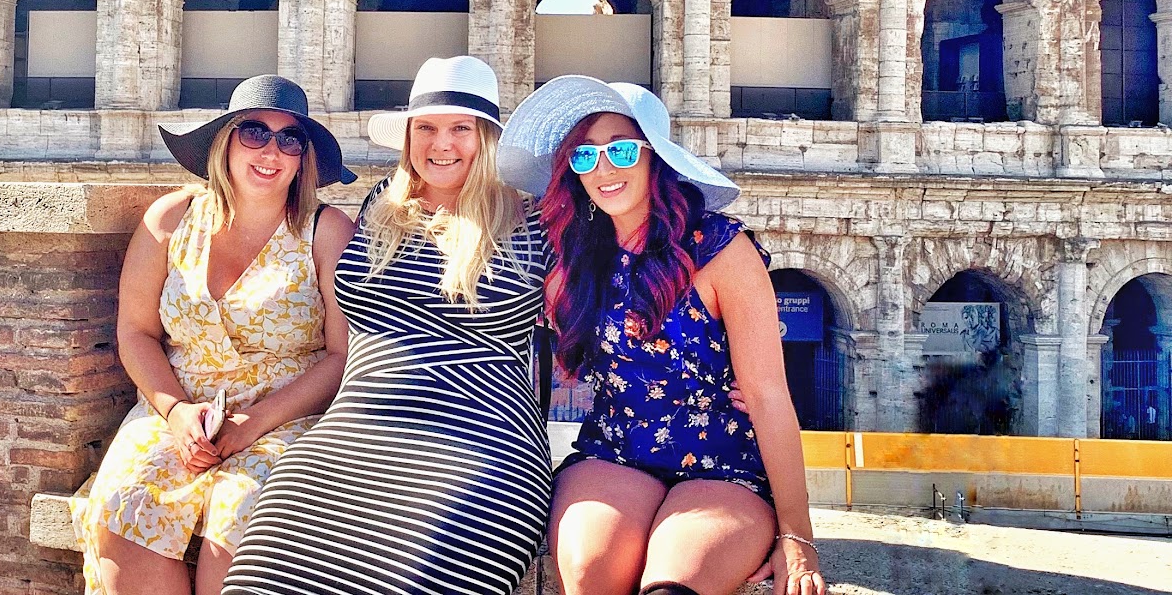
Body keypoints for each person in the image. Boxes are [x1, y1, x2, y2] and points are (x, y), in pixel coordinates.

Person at [223, 56, 552, 595]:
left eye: (460, 129)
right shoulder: (383, 204)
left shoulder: (531, 218)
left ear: (487, 137)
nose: (440, 143)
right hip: (354, 430)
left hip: (475, 441)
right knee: (263, 569)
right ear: (408, 135)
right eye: (426, 127)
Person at [499, 77, 825, 595]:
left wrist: (797, 537)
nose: (603, 168)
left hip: (723, 462)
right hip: (617, 450)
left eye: (622, 150)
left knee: (674, 586)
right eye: (584, 158)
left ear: (657, 159)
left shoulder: (721, 249)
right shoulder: (574, 256)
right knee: (589, 574)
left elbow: (766, 395)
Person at [70, 75, 356, 595]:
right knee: (121, 506)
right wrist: (177, 411)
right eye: (254, 132)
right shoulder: (171, 218)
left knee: (242, 521)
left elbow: (340, 356)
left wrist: (250, 425)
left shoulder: (327, 229)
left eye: (290, 139)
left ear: (301, 160)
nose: (271, 150)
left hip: (283, 415)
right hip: (177, 409)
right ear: (224, 141)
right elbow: (134, 332)